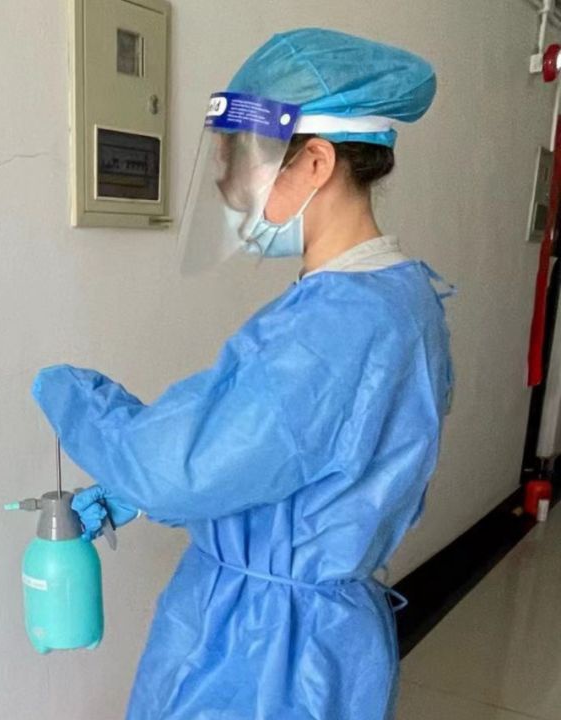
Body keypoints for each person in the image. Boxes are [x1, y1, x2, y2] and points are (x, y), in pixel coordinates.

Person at [32, 29, 453, 720]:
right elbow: (292, 456)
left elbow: (179, 469)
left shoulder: (332, 325)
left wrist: (73, 396)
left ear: (315, 161)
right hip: (324, 636)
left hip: (261, 651)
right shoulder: (399, 294)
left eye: (245, 162)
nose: (230, 188)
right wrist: (135, 488)